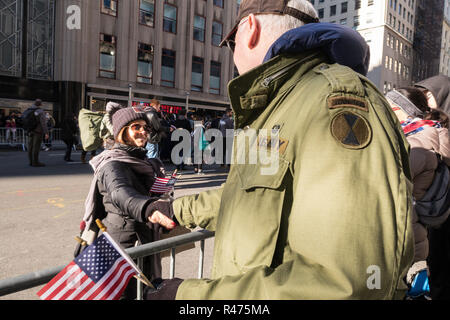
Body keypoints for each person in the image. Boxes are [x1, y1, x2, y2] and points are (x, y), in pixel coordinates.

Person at [144, 0, 414, 300]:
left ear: (250, 29)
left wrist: (189, 298)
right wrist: (177, 210)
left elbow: (344, 283)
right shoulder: (281, 104)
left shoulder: (333, 101)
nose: (233, 55)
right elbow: (248, 196)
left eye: (231, 44)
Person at [84, 106, 176, 299]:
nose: (143, 131)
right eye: (136, 127)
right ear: (121, 131)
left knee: (145, 289)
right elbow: (121, 194)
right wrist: (150, 208)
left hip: (144, 236)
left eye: (146, 128)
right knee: (127, 293)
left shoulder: (142, 160)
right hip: (124, 242)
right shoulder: (112, 163)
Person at [386, 88, 450, 299]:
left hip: (410, 230)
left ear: (399, 109)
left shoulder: (416, 140)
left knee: (414, 286)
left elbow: (389, 178)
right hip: (420, 227)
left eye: (389, 107)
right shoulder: (426, 131)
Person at [26, 99, 49, 167]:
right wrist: (46, 133)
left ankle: (31, 161)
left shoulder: (29, 110)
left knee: (30, 147)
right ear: (40, 104)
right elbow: (43, 123)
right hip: (38, 131)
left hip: (30, 130)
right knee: (36, 147)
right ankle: (35, 162)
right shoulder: (40, 111)